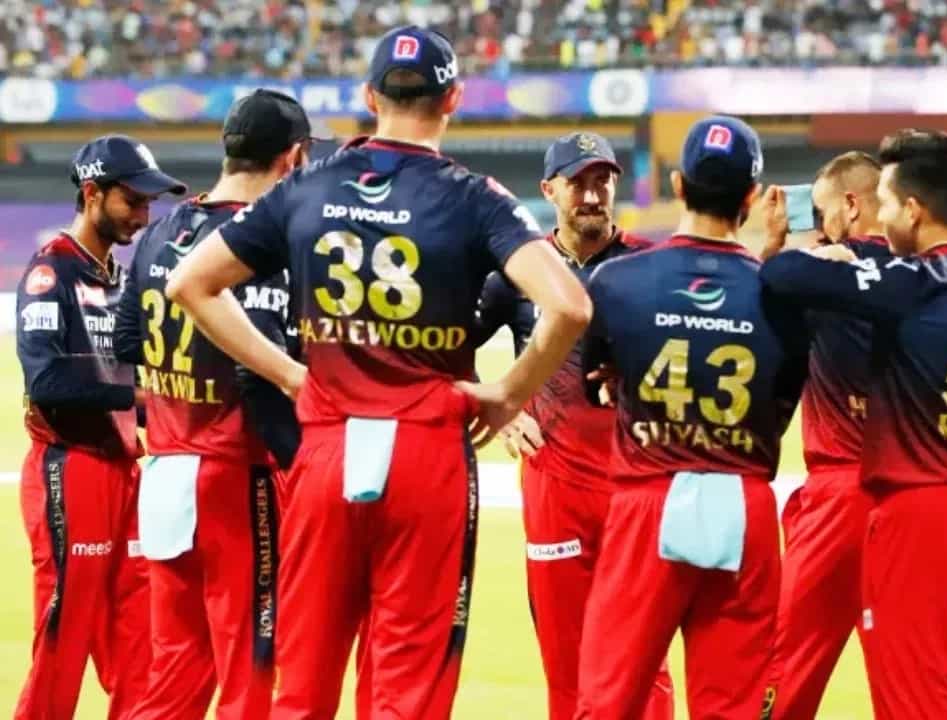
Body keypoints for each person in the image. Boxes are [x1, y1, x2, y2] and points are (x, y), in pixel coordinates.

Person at [163, 25, 591, 719]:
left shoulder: (305, 187)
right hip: (428, 451)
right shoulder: (473, 197)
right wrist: (510, 395)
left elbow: (190, 284)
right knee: (408, 687)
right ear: (453, 98)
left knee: (303, 684)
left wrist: (290, 376)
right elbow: (570, 305)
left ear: (369, 97)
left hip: (327, 447)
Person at [760, 129, 947, 720]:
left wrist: (814, 251)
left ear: (912, 209)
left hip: (922, 511)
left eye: (885, 204)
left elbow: (781, 279)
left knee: (913, 696)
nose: (881, 221)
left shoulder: (914, 282)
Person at [574, 115, 806, 719]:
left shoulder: (616, 280)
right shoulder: (784, 295)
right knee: (732, 704)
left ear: (678, 184)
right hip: (745, 500)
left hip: (647, 496)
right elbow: (782, 406)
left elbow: (594, 383)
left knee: (609, 698)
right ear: (751, 197)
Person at [114, 89, 314, 720]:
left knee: (177, 666)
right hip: (237, 476)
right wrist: (304, 466)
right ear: (294, 158)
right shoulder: (259, 241)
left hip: (166, 470)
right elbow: (257, 373)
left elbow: (126, 340)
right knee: (250, 660)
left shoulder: (162, 231)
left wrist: (172, 403)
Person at [473, 131, 674, 720]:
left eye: (602, 181)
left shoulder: (651, 266)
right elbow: (445, 347)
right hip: (555, 489)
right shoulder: (518, 272)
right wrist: (501, 407)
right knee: (566, 661)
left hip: (639, 487)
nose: (591, 195)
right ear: (549, 190)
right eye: (578, 183)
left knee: (644, 660)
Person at [14, 134, 186, 720]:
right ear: (92, 194)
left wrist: (171, 408)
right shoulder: (52, 271)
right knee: (68, 624)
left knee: (140, 626)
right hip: (71, 467)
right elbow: (47, 384)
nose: (143, 216)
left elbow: (133, 377)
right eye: (132, 201)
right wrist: (137, 398)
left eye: (148, 203)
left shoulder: (118, 275)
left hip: (125, 470)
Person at [757, 151, 890, 719]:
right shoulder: (928, 274)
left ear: (851, 205)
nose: (818, 222)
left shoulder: (819, 274)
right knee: (912, 676)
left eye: (821, 209)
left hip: (841, 497)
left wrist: (775, 246)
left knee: (785, 665)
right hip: (915, 497)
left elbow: (751, 313)